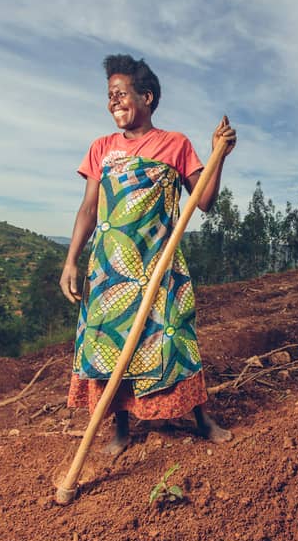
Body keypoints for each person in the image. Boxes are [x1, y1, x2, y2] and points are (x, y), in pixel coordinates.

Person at [60, 54, 236, 455]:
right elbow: (88, 209)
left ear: (147, 97)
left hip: (158, 263)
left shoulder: (175, 144)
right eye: (109, 95)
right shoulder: (101, 148)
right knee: (111, 342)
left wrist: (218, 156)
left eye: (120, 93)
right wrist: (71, 261)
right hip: (110, 268)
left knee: (175, 336)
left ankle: (201, 418)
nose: (113, 101)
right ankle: (121, 428)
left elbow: (204, 201)